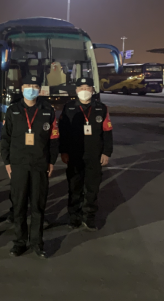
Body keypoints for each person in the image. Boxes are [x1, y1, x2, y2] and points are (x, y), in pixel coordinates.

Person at [1, 74, 59, 258]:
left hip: (40, 165)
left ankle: (37, 242)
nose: (31, 89)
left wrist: (51, 161)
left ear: (39, 89)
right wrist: (7, 162)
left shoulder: (48, 111)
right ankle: (19, 242)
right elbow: (5, 138)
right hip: (18, 165)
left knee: (38, 206)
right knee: (18, 206)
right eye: (27, 85)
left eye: (34, 86)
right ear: (22, 88)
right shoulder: (13, 110)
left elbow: (54, 139)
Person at [59, 77, 113, 231]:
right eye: (81, 88)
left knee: (92, 188)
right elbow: (63, 132)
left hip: (94, 155)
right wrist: (63, 151)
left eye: (87, 88)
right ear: (76, 90)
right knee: (74, 187)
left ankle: (89, 217)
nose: (84, 91)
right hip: (74, 155)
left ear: (93, 90)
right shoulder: (69, 108)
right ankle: (74, 217)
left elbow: (107, 132)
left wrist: (106, 152)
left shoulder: (101, 108)